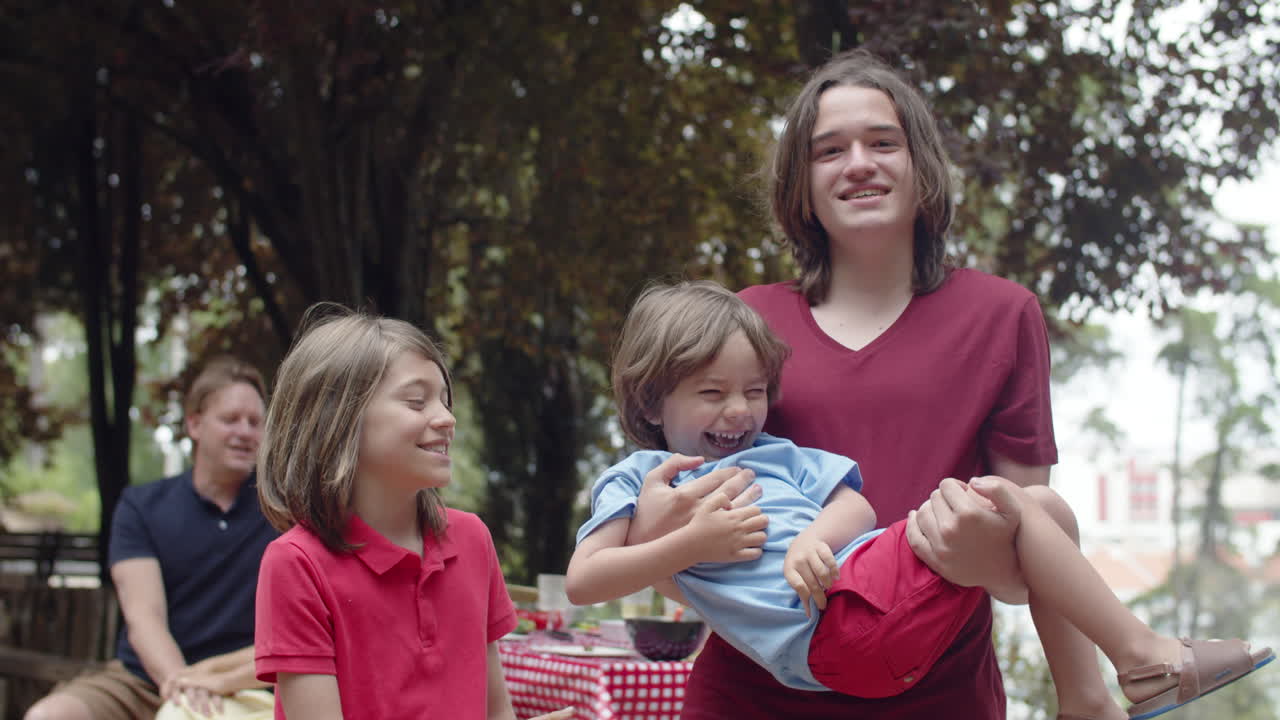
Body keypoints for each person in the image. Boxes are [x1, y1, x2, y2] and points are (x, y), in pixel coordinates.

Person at [567, 280, 1273, 720]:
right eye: (713, 393)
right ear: (653, 398)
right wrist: (688, 547)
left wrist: (816, 536)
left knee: (1038, 509)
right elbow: (586, 578)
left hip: (867, 606)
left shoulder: (774, 455)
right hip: (833, 636)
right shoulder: (634, 479)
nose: (741, 411)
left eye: (754, 392)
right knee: (1014, 502)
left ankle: (1101, 690)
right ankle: (1136, 665)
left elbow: (857, 508)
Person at [620, 47, 1054, 718]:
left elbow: (1032, 563)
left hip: (938, 697)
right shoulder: (746, 324)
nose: (859, 163)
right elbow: (679, 545)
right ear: (801, 184)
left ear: (922, 168)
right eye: (829, 151)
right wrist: (655, 535)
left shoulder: (1002, 316)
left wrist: (980, 566)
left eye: (883, 142)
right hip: (751, 699)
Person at [252, 303, 572, 720]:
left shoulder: (472, 539)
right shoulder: (296, 564)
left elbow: (497, 712)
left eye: (444, 400)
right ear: (339, 420)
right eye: (417, 402)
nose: (446, 419)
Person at [26, 356, 279, 720]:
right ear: (194, 424)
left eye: (255, 422)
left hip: (246, 684)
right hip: (144, 679)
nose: (244, 431)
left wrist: (209, 687)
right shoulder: (142, 506)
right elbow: (144, 616)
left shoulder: (281, 511)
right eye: (230, 419)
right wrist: (181, 686)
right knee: (50, 715)